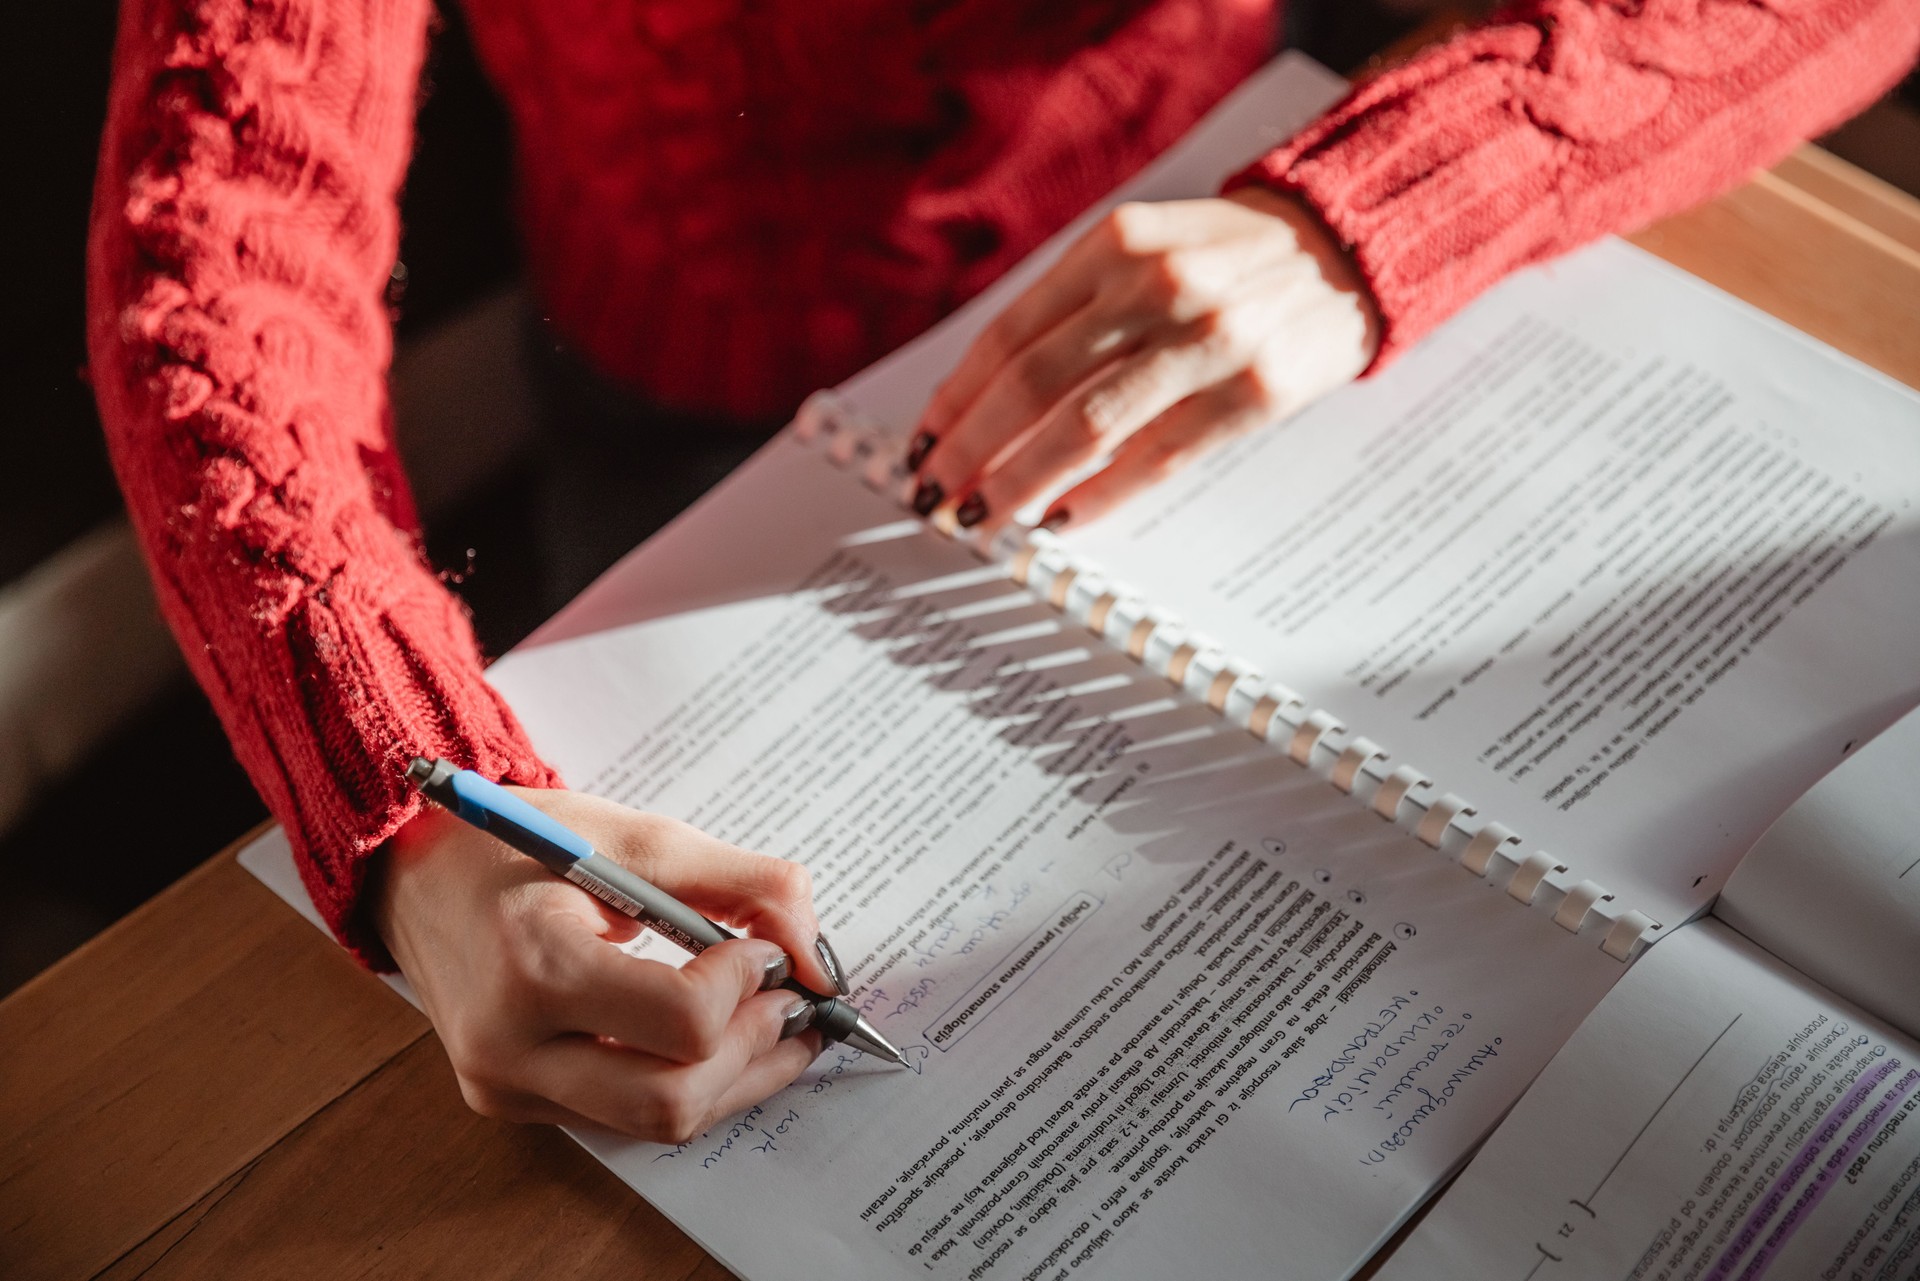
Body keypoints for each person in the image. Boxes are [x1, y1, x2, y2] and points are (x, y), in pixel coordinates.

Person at [87, 0, 1918, 1145]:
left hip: (1253, 300)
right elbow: (215, 255)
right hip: (691, 440)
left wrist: (1369, 217)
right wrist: (408, 809)